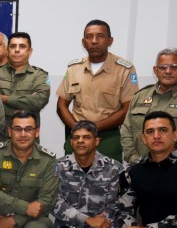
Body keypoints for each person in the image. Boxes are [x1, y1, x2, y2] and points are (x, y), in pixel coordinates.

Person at [52, 121, 122, 228]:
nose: (80, 141)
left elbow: (114, 207)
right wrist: (86, 220)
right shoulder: (58, 167)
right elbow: (54, 201)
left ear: (97, 141)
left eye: (86, 137)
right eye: (76, 138)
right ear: (71, 142)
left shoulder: (113, 168)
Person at [56, 19, 138, 161]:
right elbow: (61, 105)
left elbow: (128, 108)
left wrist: (93, 128)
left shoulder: (124, 69)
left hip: (108, 137)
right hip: (77, 137)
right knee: (70, 174)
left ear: (110, 41)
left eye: (100, 36)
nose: (94, 41)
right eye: (89, 37)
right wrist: (78, 129)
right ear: (83, 42)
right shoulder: (74, 68)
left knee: (110, 175)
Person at [121, 47, 177, 163]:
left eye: (174, 67)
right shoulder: (140, 96)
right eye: (163, 67)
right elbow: (127, 132)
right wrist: (136, 160)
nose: (168, 71)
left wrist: (172, 165)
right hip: (139, 166)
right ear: (155, 70)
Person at [0, 32, 50, 136]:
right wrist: (19, 111)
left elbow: (39, 101)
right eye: (13, 46)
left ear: (30, 51)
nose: (17, 50)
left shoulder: (39, 75)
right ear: (7, 50)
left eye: (22, 46)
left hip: (27, 137)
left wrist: (4, 99)